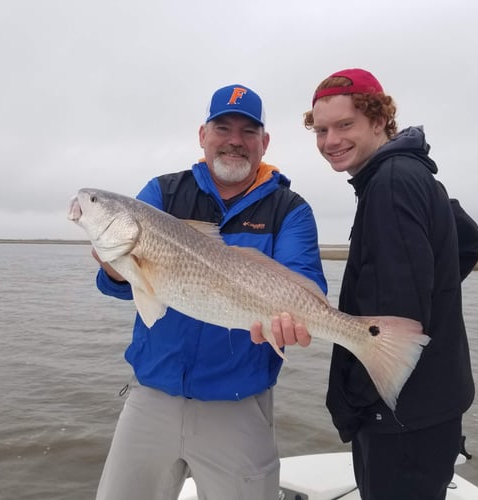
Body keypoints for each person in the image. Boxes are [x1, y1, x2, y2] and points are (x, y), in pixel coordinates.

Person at [91, 83, 327, 500]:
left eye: (248, 131)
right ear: (203, 135)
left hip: (237, 404)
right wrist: (115, 264)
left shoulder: (289, 209)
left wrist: (299, 321)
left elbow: (304, 281)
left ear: (264, 142)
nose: (234, 140)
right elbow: (125, 287)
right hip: (152, 395)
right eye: (223, 127)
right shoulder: (162, 194)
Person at [256, 68, 478, 499]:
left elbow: (392, 324)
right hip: (432, 407)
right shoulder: (411, 172)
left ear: (379, 121)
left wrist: (355, 405)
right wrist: (436, 295)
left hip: (399, 414)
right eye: (321, 130)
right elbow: (469, 239)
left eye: (345, 125)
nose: (330, 141)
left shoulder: (391, 182)